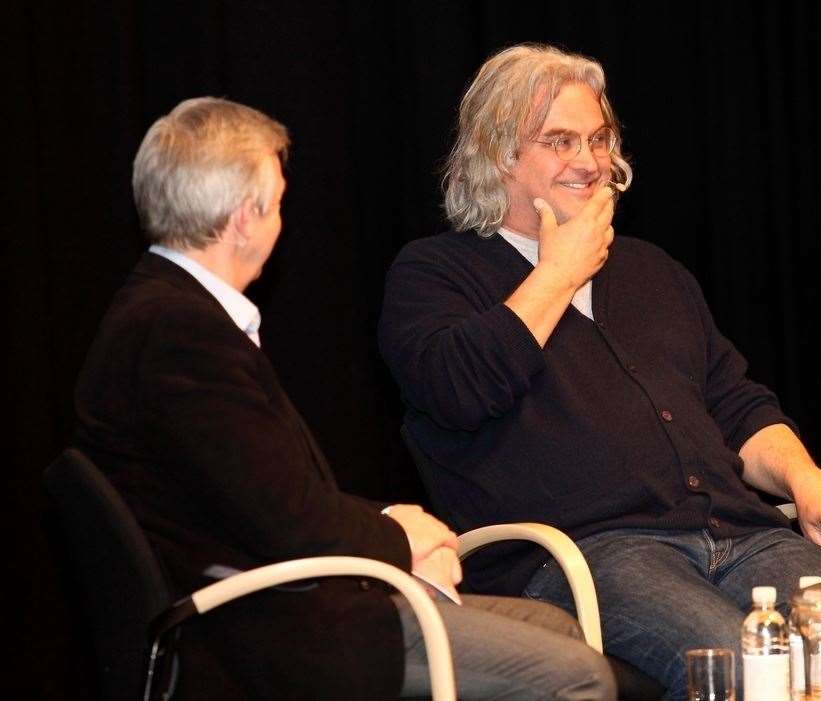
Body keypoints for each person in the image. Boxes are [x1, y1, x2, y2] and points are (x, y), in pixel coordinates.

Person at [74, 96, 615, 700]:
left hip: (274, 602)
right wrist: (399, 537)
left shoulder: (161, 312)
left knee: (557, 629)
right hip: (260, 631)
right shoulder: (179, 333)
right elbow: (286, 522)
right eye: (279, 202)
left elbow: (258, 494)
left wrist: (390, 530)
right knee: (577, 675)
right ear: (247, 217)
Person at [378, 44, 821, 699]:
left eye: (599, 138)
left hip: (743, 537)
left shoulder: (651, 272)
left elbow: (736, 406)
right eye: (560, 141)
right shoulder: (435, 274)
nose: (589, 161)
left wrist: (809, 483)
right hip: (596, 554)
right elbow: (457, 388)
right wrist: (559, 271)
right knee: (743, 665)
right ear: (498, 153)